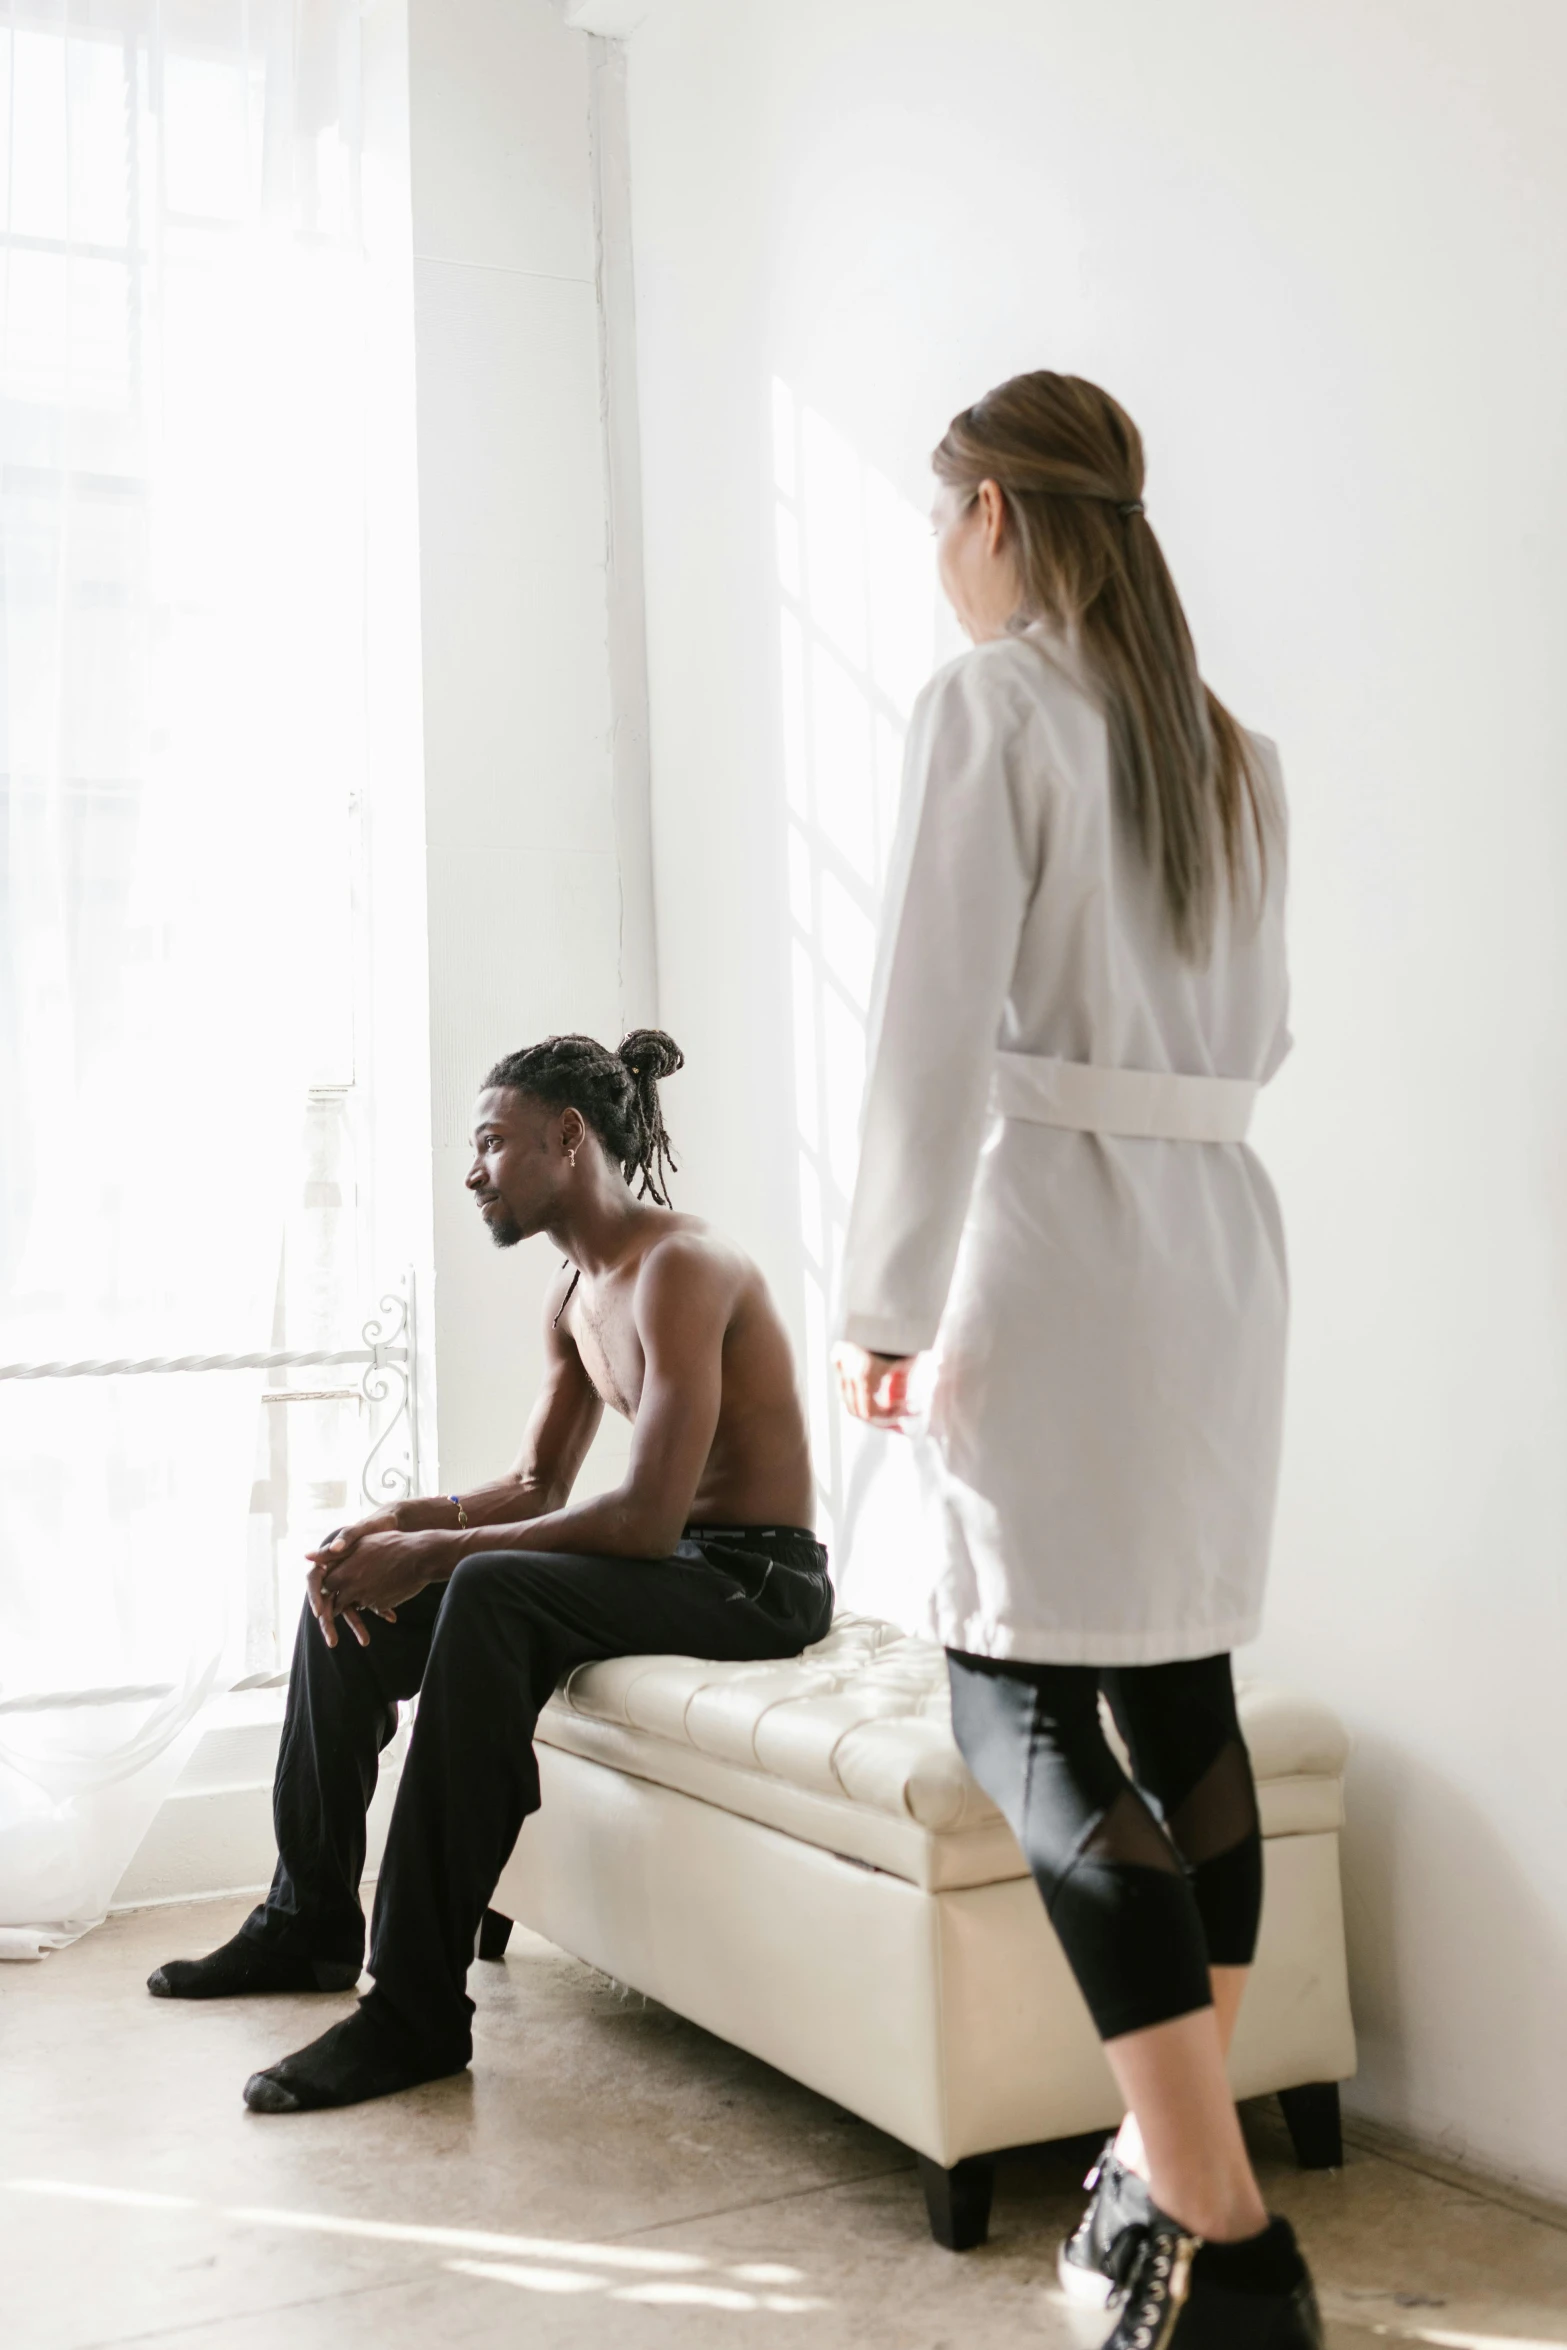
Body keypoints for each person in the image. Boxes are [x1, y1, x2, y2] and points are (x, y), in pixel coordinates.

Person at [833, 374, 1319, 2349]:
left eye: (934, 512)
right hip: (1216, 1247)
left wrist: (883, 1289)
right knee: (1179, 1687)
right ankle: (1157, 2175)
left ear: (998, 516)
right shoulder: (1231, 748)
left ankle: (1220, 2218)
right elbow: (1264, 1031)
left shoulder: (987, 709)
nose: (934, 550)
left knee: (1013, 1695)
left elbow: (927, 1028)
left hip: (1049, 1240)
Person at [149, 1029, 830, 2112]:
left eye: (489, 1142)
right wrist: (395, 1527)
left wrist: (438, 1555)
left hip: (756, 1580)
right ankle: (307, 1916)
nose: (473, 1171)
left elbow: (649, 1519)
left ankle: (414, 2008)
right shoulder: (574, 1294)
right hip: (678, 1567)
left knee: (481, 1586)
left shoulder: (682, 1268)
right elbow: (535, 1485)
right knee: (356, 1583)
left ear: (567, 1139)